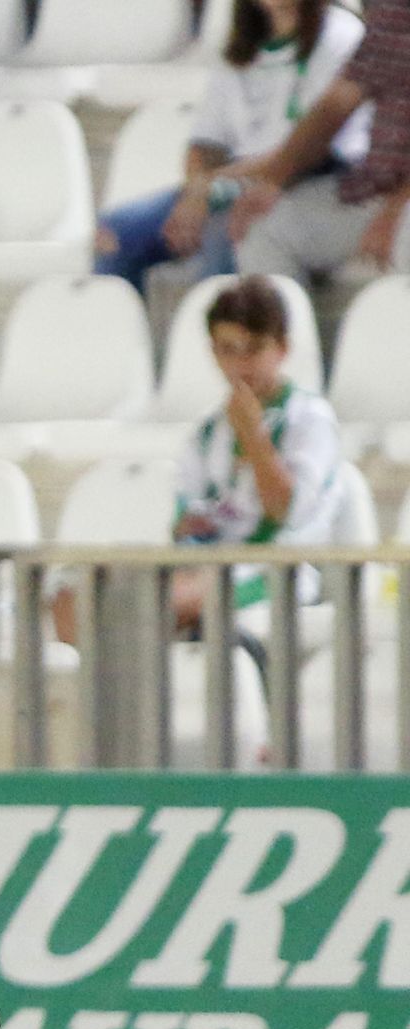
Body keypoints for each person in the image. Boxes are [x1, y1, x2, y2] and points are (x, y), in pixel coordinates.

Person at [53, 275, 343, 646]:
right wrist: (191, 529)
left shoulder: (309, 420)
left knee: (152, 599)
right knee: (73, 592)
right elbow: (187, 522)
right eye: (228, 350)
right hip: (205, 564)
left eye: (253, 349)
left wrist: (255, 440)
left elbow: (285, 510)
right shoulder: (207, 432)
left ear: (282, 348)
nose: (241, 364)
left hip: (279, 569)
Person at [94, 0, 368, 294]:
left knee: (229, 231)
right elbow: (205, 143)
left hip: (304, 178)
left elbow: (309, 150)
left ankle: (221, 319)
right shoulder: (240, 44)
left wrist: (210, 190)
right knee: (115, 232)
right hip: (229, 181)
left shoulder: (341, 34)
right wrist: (196, 192)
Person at [233, 0, 410, 279]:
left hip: (403, 204)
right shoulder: (394, 15)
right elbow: (334, 107)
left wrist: (395, 210)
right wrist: (274, 180)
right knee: (261, 228)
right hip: (374, 191)